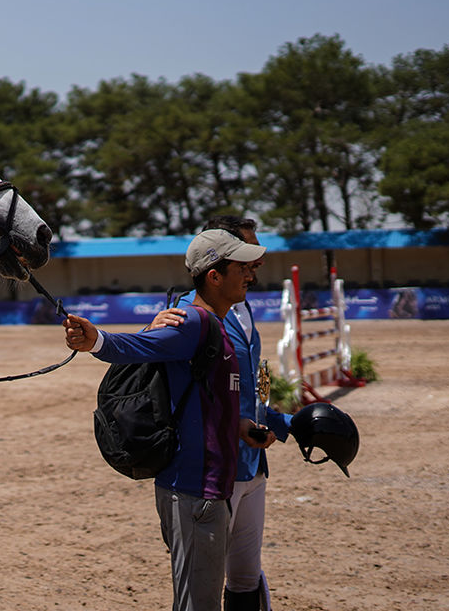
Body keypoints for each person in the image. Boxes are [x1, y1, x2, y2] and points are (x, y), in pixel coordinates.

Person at [64, 229, 272, 611]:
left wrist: (241, 428)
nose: (251, 275)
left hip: (210, 490)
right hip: (194, 492)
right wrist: (95, 340)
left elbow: (209, 405)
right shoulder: (193, 323)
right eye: (241, 268)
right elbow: (135, 347)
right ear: (214, 276)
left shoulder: (218, 327)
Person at [151, 217, 291, 611]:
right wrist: (146, 329)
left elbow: (250, 391)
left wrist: (287, 424)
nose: (256, 264)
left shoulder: (244, 311)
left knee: (246, 575)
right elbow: (152, 350)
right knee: (203, 588)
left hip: (252, 464)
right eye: (247, 256)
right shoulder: (188, 313)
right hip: (213, 468)